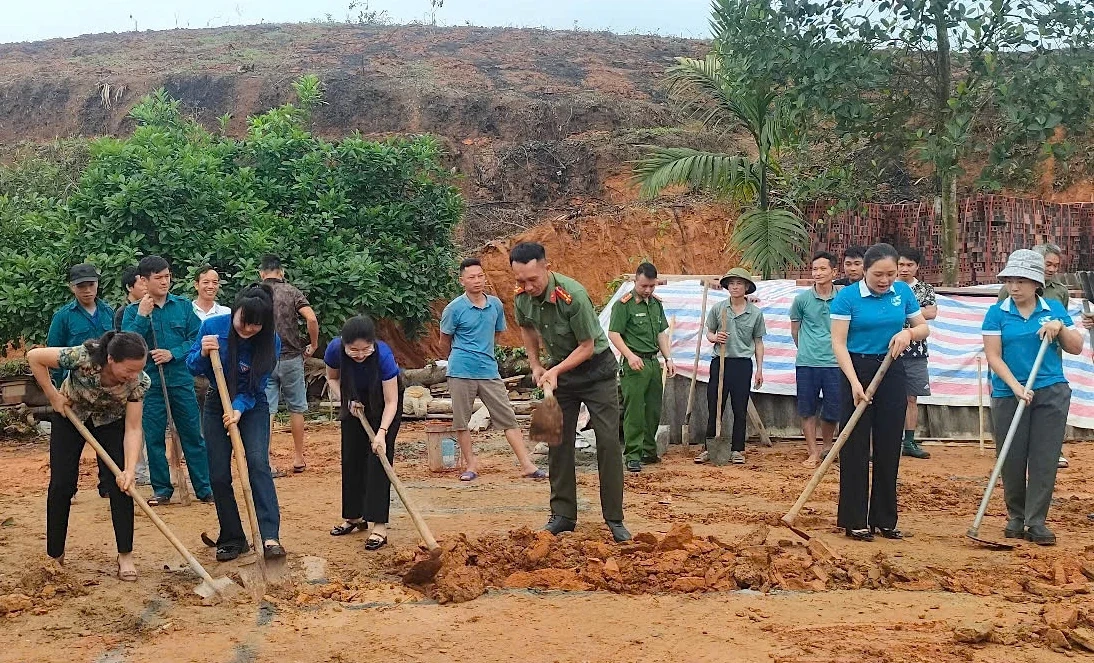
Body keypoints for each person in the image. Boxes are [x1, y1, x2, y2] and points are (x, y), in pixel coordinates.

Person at [510, 242, 630, 542]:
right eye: (520, 281)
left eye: (532, 279)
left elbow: (587, 347)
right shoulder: (522, 298)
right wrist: (536, 364)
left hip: (596, 372)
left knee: (608, 443)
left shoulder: (572, 296)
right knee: (555, 440)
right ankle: (563, 515)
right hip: (560, 372)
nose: (527, 286)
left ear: (546, 268)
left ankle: (614, 519)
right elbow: (526, 328)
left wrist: (555, 371)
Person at [27, 331, 151, 581]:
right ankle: (55, 554)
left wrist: (128, 470)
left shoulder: (140, 382)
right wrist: (53, 396)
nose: (133, 376)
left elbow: (134, 428)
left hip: (110, 423)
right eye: (128, 370)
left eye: (138, 370)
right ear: (111, 359)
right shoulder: (83, 356)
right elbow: (34, 357)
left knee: (121, 487)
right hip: (70, 416)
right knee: (62, 485)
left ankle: (125, 554)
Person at [981, 249, 1084, 545]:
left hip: (1050, 389)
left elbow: (1076, 347)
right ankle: (1016, 515)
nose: (1015, 287)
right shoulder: (997, 312)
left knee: (1044, 457)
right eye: (1011, 281)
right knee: (1011, 456)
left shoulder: (1053, 308)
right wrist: (1015, 386)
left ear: (1036, 283)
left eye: (1022, 281)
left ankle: (1036, 520)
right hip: (1008, 391)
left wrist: (1060, 326)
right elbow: (993, 356)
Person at [830, 243, 929, 542]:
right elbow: (838, 343)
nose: (885, 280)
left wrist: (908, 332)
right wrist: (854, 383)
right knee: (856, 445)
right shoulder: (847, 297)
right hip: (856, 369)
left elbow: (923, 327)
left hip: (891, 369)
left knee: (889, 444)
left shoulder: (903, 293)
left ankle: (884, 518)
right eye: (878, 275)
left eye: (890, 274)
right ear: (864, 271)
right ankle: (854, 519)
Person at [187, 285, 287, 561]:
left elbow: (257, 387)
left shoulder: (270, 342)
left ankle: (269, 536)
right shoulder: (212, 326)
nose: (248, 328)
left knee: (257, 463)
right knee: (218, 473)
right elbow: (192, 367)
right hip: (216, 400)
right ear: (235, 311)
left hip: (252, 406)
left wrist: (239, 408)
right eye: (243, 321)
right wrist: (203, 353)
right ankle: (233, 538)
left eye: (256, 325)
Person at [439, 258, 545, 481]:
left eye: (480, 276)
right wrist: (460, 357)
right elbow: (444, 341)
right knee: (461, 421)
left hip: (489, 370)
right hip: (460, 371)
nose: (477, 281)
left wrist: (484, 353)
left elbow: (496, 335)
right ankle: (471, 466)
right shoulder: (454, 309)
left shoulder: (495, 305)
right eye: (471, 277)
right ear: (462, 281)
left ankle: (526, 464)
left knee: (507, 417)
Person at [122, 255, 213, 506]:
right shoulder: (132, 312)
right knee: (153, 437)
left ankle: (204, 487)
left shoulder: (183, 307)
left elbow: (197, 337)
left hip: (181, 380)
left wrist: (174, 352)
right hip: (149, 384)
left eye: (167, 276)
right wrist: (142, 316)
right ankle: (162, 489)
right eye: (159, 277)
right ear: (143, 280)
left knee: (192, 434)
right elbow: (127, 345)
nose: (165, 281)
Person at [324, 315, 403, 551]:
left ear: (373, 343)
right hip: (353, 401)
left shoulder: (384, 356)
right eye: (353, 350)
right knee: (351, 457)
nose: (359, 355)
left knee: (378, 460)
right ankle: (354, 516)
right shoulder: (334, 350)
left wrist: (381, 433)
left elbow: (392, 402)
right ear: (343, 344)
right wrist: (346, 401)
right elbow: (332, 378)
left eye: (365, 349)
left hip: (383, 405)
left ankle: (379, 525)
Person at [996, 243, 1071, 469]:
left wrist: (1059, 327)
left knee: (1047, 422)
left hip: (1048, 360)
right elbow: (1003, 321)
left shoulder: (1060, 292)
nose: (1051, 269)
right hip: (1016, 368)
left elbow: (1067, 330)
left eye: (1055, 266)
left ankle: (1052, 450)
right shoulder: (1007, 293)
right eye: (1047, 264)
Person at [608, 262, 675, 473]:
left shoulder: (655, 304)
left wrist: (668, 358)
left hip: (653, 362)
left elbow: (661, 333)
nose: (647, 290)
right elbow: (614, 334)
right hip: (634, 365)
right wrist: (629, 356)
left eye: (652, 286)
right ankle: (633, 455)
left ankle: (648, 450)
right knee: (635, 410)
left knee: (653, 409)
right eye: (644, 286)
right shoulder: (623, 305)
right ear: (635, 280)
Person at [698, 267, 766, 465]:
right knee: (715, 406)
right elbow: (709, 332)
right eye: (732, 284)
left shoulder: (755, 313)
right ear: (727, 287)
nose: (735, 287)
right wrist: (715, 337)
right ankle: (709, 448)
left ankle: (737, 449)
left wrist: (759, 369)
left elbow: (758, 342)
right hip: (720, 361)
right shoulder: (719, 309)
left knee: (739, 407)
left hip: (742, 364)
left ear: (746, 287)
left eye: (739, 284)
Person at [259, 255, 319, 475]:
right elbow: (311, 319)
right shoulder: (292, 292)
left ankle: (264, 459)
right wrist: (313, 344)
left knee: (267, 409)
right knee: (296, 407)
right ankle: (299, 458)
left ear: (261, 273)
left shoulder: (256, 293)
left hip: (264, 359)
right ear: (281, 272)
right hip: (292, 357)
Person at [789, 252, 841, 468]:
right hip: (807, 362)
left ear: (834, 272)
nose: (818, 273)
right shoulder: (801, 300)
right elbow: (795, 331)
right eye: (815, 269)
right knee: (807, 408)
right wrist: (807, 351)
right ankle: (813, 452)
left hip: (836, 363)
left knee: (833, 409)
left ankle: (828, 448)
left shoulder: (844, 297)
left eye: (823, 269)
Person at [897, 247, 937, 460]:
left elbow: (932, 311)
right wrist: (917, 313)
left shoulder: (925, 288)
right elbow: (926, 312)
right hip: (888, 350)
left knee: (912, 397)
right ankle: (888, 439)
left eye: (909, 265)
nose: (904, 269)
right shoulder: (887, 287)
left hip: (915, 351)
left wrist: (907, 312)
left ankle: (909, 440)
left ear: (917, 267)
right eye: (901, 264)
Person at [47, 263, 115, 387]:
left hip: (107, 381)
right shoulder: (62, 316)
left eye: (91, 284)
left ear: (97, 284)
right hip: (76, 383)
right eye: (81, 286)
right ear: (72, 287)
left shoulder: (108, 312)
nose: (87, 290)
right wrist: (60, 386)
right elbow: (54, 354)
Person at [114, 265, 151, 486]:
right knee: (133, 425)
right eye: (141, 282)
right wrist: (141, 315)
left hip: (145, 378)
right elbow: (125, 342)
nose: (146, 286)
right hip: (128, 380)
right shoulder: (123, 313)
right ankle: (137, 470)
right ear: (130, 287)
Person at [113, 266, 147, 332]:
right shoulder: (122, 312)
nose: (146, 287)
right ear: (129, 287)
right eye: (142, 284)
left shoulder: (149, 307)